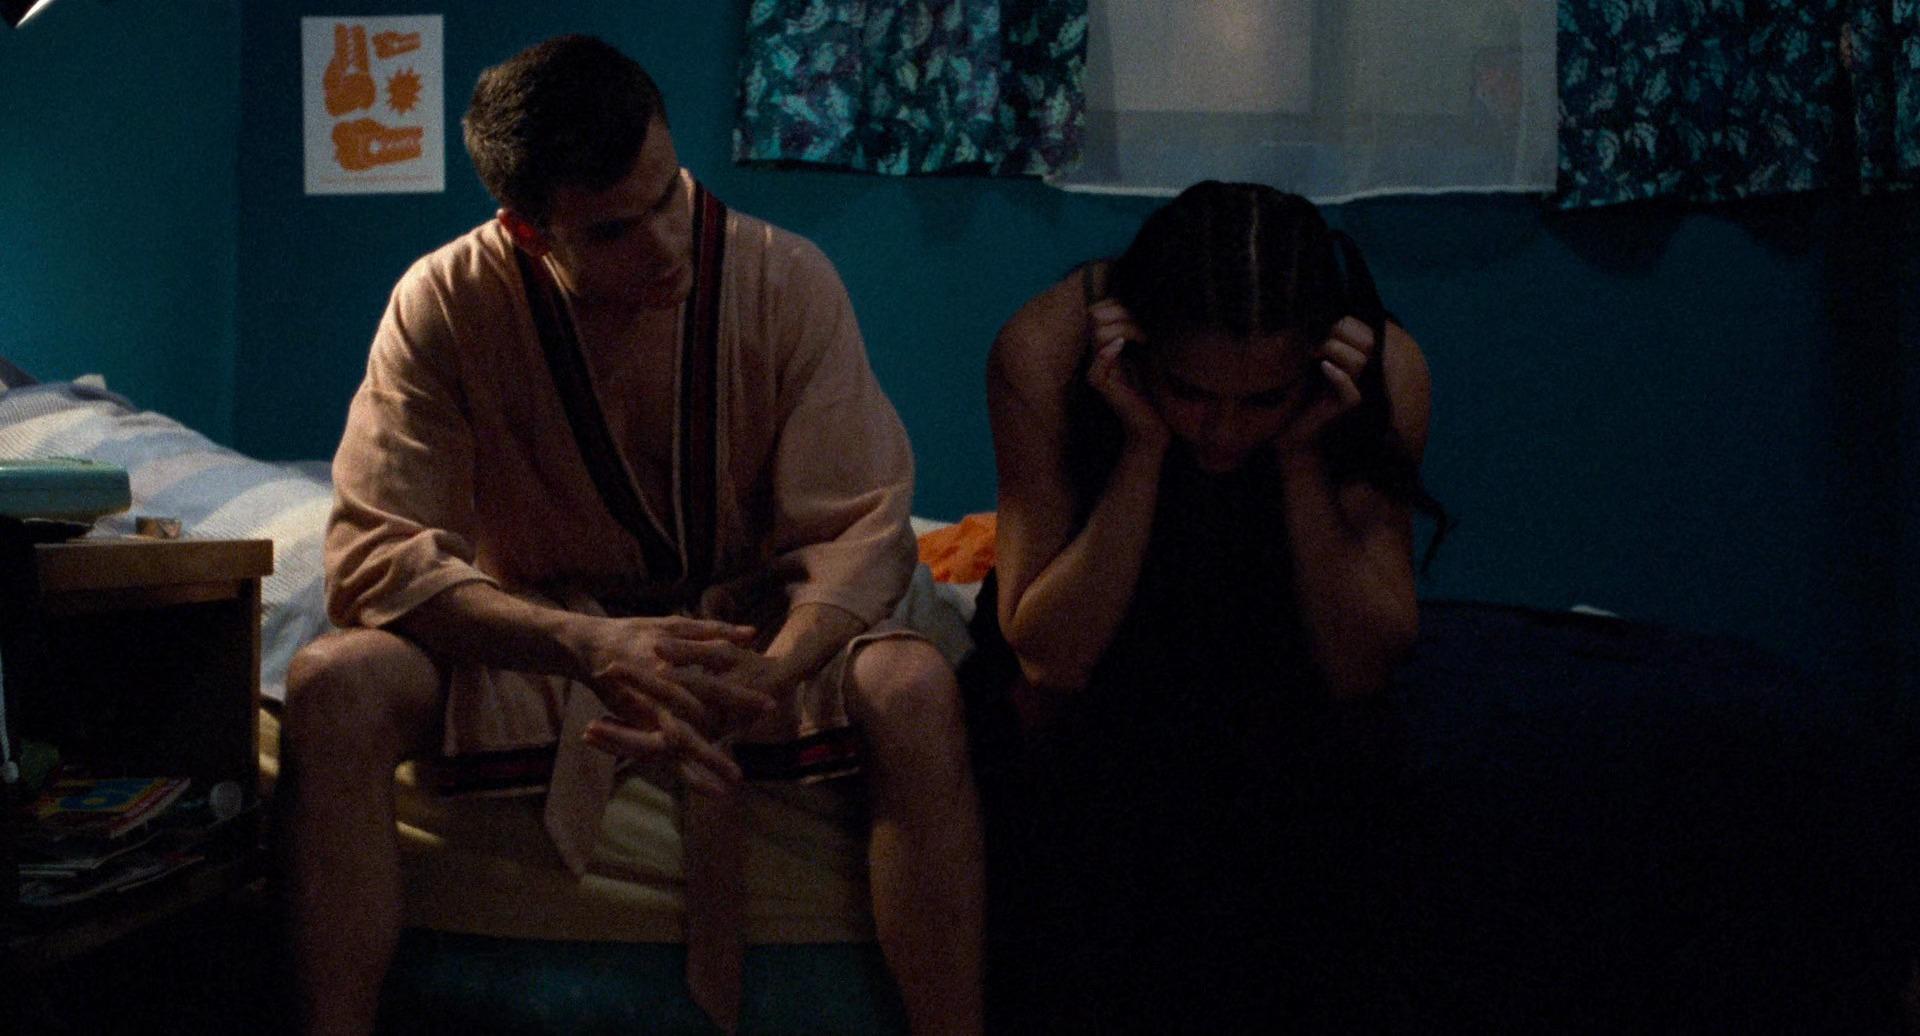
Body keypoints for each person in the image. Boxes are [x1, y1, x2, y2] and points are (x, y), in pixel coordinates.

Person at [275, 35, 981, 1036]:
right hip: (546, 636)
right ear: (527, 231)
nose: (662, 244)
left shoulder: (786, 279)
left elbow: (862, 529)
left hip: (754, 633)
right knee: (330, 686)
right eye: (612, 231)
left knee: (912, 687)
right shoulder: (444, 302)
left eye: (667, 197)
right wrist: (586, 645)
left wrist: (772, 671)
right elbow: (377, 552)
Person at [961, 181, 1447, 1031]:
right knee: (1079, 798)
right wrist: (1143, 446)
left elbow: (1361, 666)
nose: (1222, 433)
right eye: (1190, 392)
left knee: (1327, 801)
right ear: (1142, 347)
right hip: (1094, 635)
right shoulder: (1047, 347)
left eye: (1262, 400)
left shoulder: (1379, 369)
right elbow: (1048, 657)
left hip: (1275, 636)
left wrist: (1301, 455)